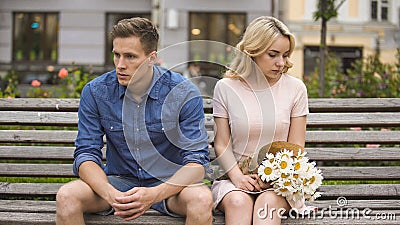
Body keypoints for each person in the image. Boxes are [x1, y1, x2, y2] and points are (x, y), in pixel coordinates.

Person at [56, 17, 213, 225]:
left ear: (151, 58)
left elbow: (196, 163)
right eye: (117, 55)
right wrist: (111, 194)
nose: (121, 65)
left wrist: (154, 194)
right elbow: (86, 154)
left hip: (170, 187)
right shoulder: (96, 92)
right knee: (67, 197)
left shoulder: (183, 93)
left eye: (130, 56)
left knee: (201, 199)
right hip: (118, 183)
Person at [211, 16, 309, 225]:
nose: (281, 63)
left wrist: (270, 179)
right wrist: (238, 178)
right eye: (273, 55)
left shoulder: (295, 89)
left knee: (267, 205)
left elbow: (296, 146)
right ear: (252, 52)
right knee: (238, 202)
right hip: (235, 178)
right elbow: (221, 143)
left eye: (285, 55)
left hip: (280, 180)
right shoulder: (226, 88)